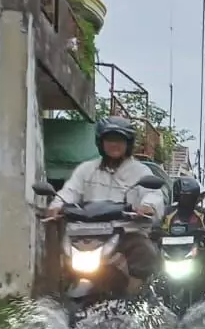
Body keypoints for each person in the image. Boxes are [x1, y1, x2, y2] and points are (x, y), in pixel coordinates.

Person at [45, 117, 168, 295]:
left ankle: (134, 298)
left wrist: (147, 207)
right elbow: (70, 191)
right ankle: (52, 296)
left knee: (146, 252)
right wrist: (56, 205)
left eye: (120, 140)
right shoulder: (86, 169)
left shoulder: (140, 172)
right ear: (100, 142)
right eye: (109, 139)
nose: (114, 144)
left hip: (126, 232)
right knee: (57, 256)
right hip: (87, 234)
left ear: (128, 143)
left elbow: (153, 194)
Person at [158, 176, 205, 310]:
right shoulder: (168, 212)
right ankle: (148, 293)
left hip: (195, 253)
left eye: (192, 197)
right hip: (169, 252)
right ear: (178, 196)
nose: (189, 200)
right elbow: (157, 224)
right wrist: (154, 230)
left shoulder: (201, 213)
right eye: (185, 197)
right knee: (150, 257)